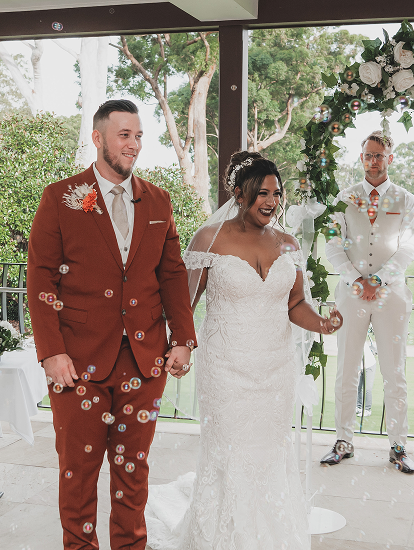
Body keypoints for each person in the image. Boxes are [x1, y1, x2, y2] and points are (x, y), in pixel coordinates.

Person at [144, 151, 343, 550]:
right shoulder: (210, 239)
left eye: (276, 193)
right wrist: (178, 346)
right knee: (231, 450)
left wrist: (321, 322)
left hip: (275, 370)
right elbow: (185, 302)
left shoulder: (287, 244)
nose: (271, 201)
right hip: (227, 368)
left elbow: (294, 304)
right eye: (262, 193)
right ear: (239, 194)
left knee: (270, 450)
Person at [27, 99, 197, 550]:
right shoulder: (60, 197)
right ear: (98, 138)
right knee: (78, 474)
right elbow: (41, 277)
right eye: (124, 135)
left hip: (144, 362)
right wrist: (52, 351)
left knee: (133, 472)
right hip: (77, 361)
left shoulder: (158, 200)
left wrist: (182, 338)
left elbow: (172, 274)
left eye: (139, 135)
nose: (134, 144)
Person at [321, 130, 414, 473]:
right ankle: (343, 440)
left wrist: (379, 279)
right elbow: (333, 244)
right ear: (361, 158)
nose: (373, 161)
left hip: (391, 295)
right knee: (347, 367)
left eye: (379, 155)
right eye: (368, 155)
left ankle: (397, 446)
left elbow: (409, 247)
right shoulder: (344, 198)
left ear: (390, 159)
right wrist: (356, 279)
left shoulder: (406, 200)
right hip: (352, 295)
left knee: (396, 371)